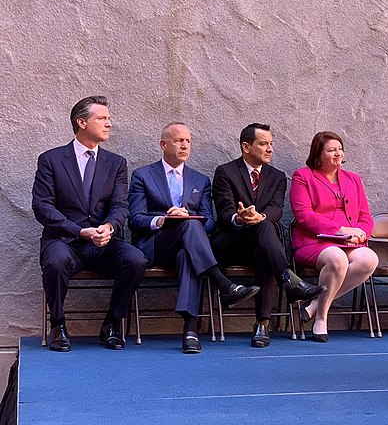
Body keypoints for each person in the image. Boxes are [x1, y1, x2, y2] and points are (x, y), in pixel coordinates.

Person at [128, 122, 260, 353]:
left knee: (188, 250)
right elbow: (135, 219)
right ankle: (222, 283)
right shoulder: (142, 175)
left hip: (189, 246)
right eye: (179, 140)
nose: (184, 145)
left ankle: (190, 330)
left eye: (188, 141)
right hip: (156, 245)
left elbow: (210, 221)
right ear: (163, 144)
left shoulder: (200, 180)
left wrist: (188, 217)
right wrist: (163, 220)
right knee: (188, 227)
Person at [32, 96, 147, 351]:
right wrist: (78, 230)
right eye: (102, 118)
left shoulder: (116, 163)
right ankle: (58, 324)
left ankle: (112, 323)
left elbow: (120, 205)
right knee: (55, 261)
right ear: (81, 122)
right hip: (65, 240)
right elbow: (42, 206)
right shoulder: (50, 160)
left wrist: (109, 227)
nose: (109, 123)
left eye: (108, 118)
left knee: (136, 259)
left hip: (103, 242)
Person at [212, 123, 325, 348]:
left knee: (264, 235)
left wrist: (259, 217)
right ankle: (289, 280)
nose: (270, 149)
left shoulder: (277, 177)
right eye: (263, 144)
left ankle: (262, 324)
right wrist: (241, 217)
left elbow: (276, 209)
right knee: (264, 232)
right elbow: (224, 212)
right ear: (246, 146)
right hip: (231, 242)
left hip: (261, 245)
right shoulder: (225, 172)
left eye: (271, 144)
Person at [290, 131, 378, 342]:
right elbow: (304, 215)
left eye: (340, 149)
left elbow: (365, 216)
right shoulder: (303, 176)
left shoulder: (353, 179)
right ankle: (321, 318)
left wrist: (361, 234)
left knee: (369, 259)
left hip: (349, 242)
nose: (338, 153)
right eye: (331, 150)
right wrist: (341, 230)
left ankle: (313, 305)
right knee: (336, 258)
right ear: (318, 154)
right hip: (314, 241)